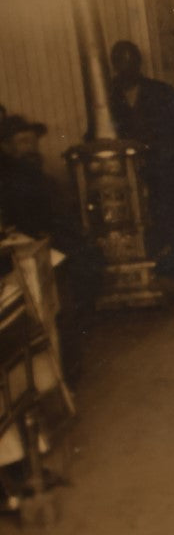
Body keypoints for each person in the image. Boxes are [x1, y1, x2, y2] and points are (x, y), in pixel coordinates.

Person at [0, 114, 102, 382]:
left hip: (51, 249)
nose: (32, 147)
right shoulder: (9, 180)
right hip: (24, 256)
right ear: (6, 147)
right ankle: (62, 373)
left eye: (33, 141)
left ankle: (67, 367)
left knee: (79, 273)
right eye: (23, 141)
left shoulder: (36, 176)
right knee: (59, 306)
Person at [108, 40, 174, 288]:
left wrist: (161, 146)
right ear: (114, 66)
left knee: (171, 224)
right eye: (121, 63)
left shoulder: (161, 91)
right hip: (128, 176)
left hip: (166, 171)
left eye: (132, 62)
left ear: (140, 63)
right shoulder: (106, 98)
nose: (127, 68)